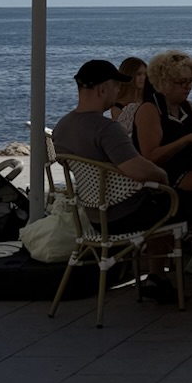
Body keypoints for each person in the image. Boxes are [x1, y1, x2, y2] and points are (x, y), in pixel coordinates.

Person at [51, 59, 177, 299]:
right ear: (102, 90)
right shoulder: (107, 129)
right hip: (124, 214)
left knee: (162, 197)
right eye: (116, 87)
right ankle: (160, 274)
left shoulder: (62, 127)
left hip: (93, 215)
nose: (119, 91)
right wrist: (163, 175)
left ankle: (155, 274)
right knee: (187, 201)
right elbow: (138, 171)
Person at [133, 50, 192, 289]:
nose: (188, 87)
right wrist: (186, 140)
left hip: (187, 172)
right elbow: (151, 156)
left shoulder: (188, 107)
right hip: (162, 180)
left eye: (190, 82)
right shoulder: (149, 110)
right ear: (163, 82)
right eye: (181, 82)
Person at [109, 57, 147, 130]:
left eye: (145, 74)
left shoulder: (150, 98)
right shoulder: (118, 107)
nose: (143, 77)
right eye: (138, 74)